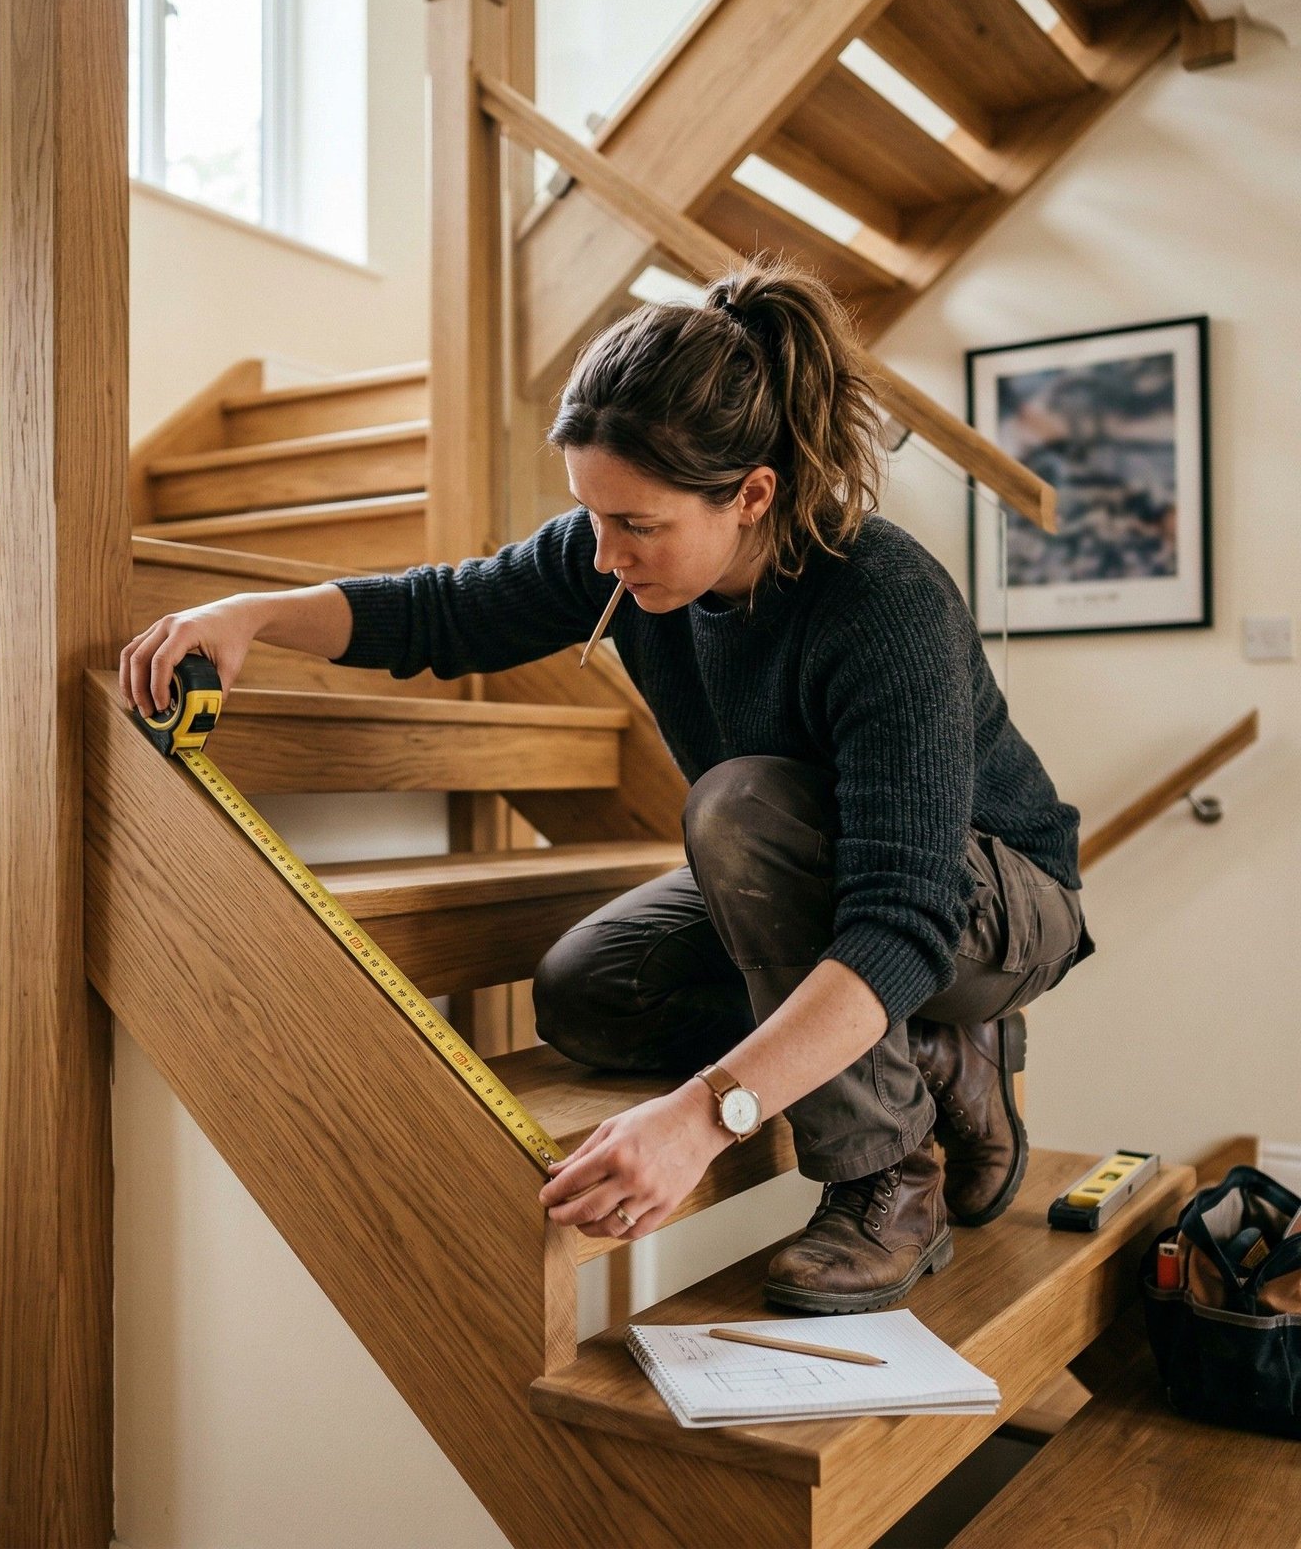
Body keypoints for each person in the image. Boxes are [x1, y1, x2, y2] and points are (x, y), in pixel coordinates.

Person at [118, 256, 1095, 1314]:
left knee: (740, 806)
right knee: (592, 992)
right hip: (829, 883)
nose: (605, 552)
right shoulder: (619, 556)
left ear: (751, 495)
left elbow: (899, 924)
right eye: (590, 514)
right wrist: (256, 613)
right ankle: (939, 1054)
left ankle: (887, 1176)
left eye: (636, 523)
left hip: (989, 905)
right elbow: (442, 612)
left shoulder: (883, 601)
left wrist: (703, 1113)